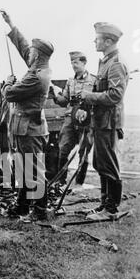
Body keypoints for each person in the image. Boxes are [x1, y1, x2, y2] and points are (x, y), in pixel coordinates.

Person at [0, 10, 54, 220]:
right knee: (24, 168)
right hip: (26, 129)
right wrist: (11, 25)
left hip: (29, 130)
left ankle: (39, 211)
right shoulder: (38, 66)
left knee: (33, 170)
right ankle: (22, 207)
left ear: (38, 55)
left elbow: (10, 94)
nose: (28, 53)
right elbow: (24, 48)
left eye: (32, 51)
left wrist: (8, 82)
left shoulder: (36, 76)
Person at [78, 23, 129, 220]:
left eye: (97, 39)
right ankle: (104, 204)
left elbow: (115, 95)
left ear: (108, 41)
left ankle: (111, 209)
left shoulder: (115, 63)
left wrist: (89, 96)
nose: (94, 41)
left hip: (108, 123)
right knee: (100, 163)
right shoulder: (106, 62)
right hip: (100, 121)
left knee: (108, 164)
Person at [53, 52, 96, 190]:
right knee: (63, 148)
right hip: (70, 119)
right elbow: (64, 101)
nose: (73, 66)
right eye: (72, 63)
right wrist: (55, 94)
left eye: (76, 63)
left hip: (86, 120)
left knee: (84, 151)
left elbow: (98, 99)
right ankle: (61, 181)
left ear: (84, 63)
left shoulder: (94, 80)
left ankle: (79, 183)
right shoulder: (70, 81)